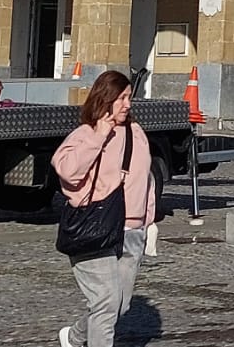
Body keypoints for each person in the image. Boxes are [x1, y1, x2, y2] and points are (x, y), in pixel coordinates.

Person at [52, 70, 155, 347]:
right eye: (121, 98)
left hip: (131, 231)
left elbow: (146, 177)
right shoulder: (85, 134)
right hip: (95, 229)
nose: (127, 104)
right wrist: (98, 135)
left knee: (117, 306)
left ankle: (74, 337)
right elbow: (67, 171)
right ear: (105, 98)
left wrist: (148, 221)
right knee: (107, 303)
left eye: (129, 97)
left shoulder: (135, 133)